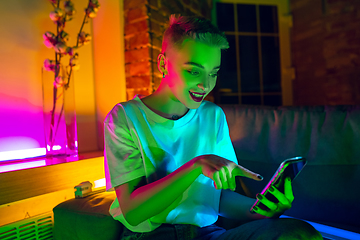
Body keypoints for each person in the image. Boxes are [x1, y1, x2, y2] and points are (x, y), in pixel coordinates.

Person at [104, 15, 322, 240]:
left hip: (207, 234)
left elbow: (217, 199)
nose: (206, 84)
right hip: (152, 236)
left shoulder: (213, 116)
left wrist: (263, 210)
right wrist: (195, 166)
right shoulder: (124, 118)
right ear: (162, 64)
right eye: (194, 71)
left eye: (213, 73)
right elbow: (133, 212)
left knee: (299, 233)